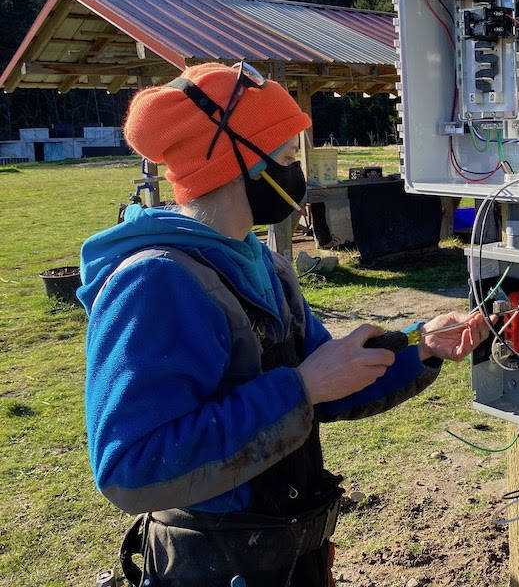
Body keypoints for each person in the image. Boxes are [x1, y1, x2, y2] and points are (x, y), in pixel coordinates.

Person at [77, 62, 489, 587]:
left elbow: (327, 381)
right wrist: (299, 387)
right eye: (291, 156)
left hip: (286, 556)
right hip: (212, 565)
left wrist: (421, 344)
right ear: (243, 162)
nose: (301, 172)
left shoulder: (261, 261)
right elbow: (131, 465)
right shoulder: (157, 283)